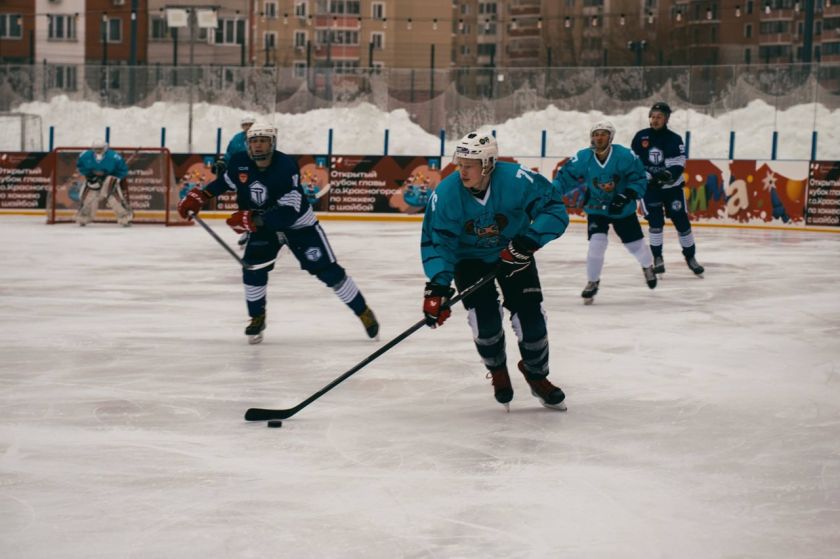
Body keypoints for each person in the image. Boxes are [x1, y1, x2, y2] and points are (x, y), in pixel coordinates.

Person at [177, 123, 379, 345]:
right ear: (248, 144)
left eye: (263, 141)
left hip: (299, 226)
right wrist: (199, 196)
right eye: (254, 141)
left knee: (328, 271)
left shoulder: (285, 167)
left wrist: (252, 220)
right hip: (264, 228)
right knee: (253, 269)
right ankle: (257, 317)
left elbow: (289, 212)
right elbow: (223, 183)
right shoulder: (239, 163)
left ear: (272, 143)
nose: (258, 145)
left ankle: (363, 311)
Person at [421, 131, 569, 411]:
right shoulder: (447, 194)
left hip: (514, 253)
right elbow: (439, 241)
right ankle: (498, 370)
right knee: (485, 323)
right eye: (460, 164)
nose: (462, 171)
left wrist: (528, 242)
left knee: (532, 323)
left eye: (469, 165)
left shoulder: (517, 180)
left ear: (488, 164)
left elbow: (553, 208)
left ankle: (536, 375)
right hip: (469, 260)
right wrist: (438, 287)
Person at [553, 121, 657, 304]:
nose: (599, 138)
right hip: (596, 207)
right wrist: (551, 192)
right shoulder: (583, 157)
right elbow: (565, 177)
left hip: (622, 208)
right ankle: (592, 282)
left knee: (635, 245)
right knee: (596, 244)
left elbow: (639, 178)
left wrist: (626, 195)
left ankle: (648, 266)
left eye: (603, 134)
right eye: (595, 134)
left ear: (611, 137)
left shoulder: (624, 155)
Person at [631, 102, 704, 276]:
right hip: (650, 190)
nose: (655, 120)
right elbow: (634, 162)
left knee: (682, 223)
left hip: (672, 189)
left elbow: (678, 164)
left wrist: (667, 176)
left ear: (666, 119)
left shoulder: (674, 139)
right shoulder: (640, 137)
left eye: (659, 117)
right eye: (653, 116)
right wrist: (647, 178)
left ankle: (691, 257)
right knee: (655, 223)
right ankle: (657, 258)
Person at [74, 140, 132, 227]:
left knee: (111, 195)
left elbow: (123, 170)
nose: (98, 150)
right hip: (93, 177)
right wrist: (90, 175)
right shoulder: (85, 155)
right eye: (96, 148)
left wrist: (114, 178)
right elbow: (80, 167)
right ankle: (85, 215)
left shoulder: (114, 156)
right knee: (88, 196)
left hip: (110, 177)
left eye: (100, 148)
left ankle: (124, 216)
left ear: (105, 148)